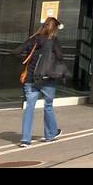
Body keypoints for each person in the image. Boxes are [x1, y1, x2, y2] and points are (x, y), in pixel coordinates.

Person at [16, 17, 66, 147]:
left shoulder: (34, 39)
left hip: (31, 78)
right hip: (47, 79)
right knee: (48, 105)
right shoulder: (54, 41)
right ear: (54, 29)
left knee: (29, 108)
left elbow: (17, 51)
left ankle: (25, 139)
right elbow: (60, 56)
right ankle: (51, 134)